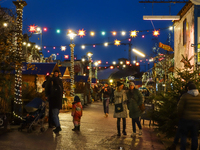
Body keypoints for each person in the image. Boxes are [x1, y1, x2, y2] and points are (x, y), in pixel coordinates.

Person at [177, 82, 200, 150]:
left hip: (185, 119)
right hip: (197, 120)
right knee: (195, 136)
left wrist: (180, 116)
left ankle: (183, 148)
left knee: (184, 135)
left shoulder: (185, 96)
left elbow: (179, 108)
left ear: (188, 89)